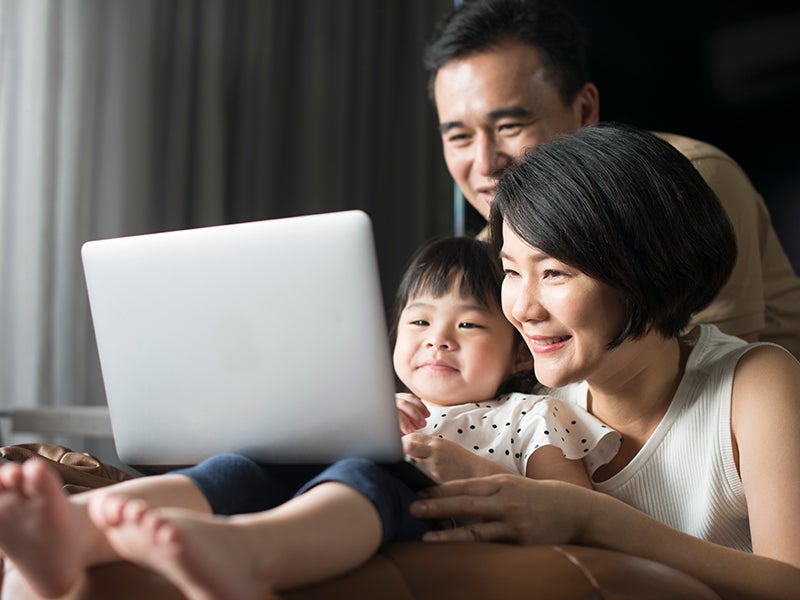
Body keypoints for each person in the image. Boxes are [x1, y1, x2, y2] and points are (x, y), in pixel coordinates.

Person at [0, 236, 620, 599]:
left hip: (424, 508)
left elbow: (568, 509)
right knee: (249, 463)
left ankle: (250, 554)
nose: (438, 340)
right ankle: (77, 529)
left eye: (468, 324)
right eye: (420, 321)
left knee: (372, 474)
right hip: (322, 479)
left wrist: (463, 467)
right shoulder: (370, 401)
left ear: (516, 353)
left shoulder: (530, 413)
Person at [403, 123, 800, 600]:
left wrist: (592, 518)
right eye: (511, 271)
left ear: (649, 273)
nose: (524, 310)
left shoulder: (755, 385)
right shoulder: (529, 398)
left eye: (553, 272)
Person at [424, 0, 800, 358]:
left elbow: (704, 385)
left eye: (509, 126)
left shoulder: (683, 183)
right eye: (460, 137)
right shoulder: (493, 245)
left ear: (584, 109)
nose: (485, 162)